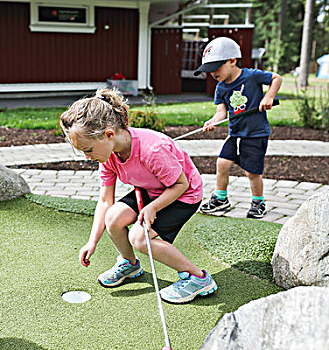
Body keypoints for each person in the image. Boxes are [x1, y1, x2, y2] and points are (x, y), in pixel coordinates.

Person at [60, 89, 217, 304]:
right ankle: (130, 264)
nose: (87, 157)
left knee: (140, 238)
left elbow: (182, 184)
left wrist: (153, 208)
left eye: (88, 150)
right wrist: (92, 242)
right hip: (150, 189)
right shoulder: (108, 156)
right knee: (113, 218)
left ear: (109, 134)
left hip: (182, 194)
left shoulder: (152, 150)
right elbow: (105, 201)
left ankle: (198, 278)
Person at [194, 36, 282, 219]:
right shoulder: (221, 88)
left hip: (255, 134)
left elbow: (276, 78)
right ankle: (221, 199)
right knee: (222, 163)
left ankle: (258, 202)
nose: (213, 73)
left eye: (215, 68)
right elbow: (221, 113)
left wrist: (269, 97)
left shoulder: (251, 76)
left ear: (232, 61)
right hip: (235, 134)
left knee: (252, 172)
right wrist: (213, 121)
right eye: (209, 70)